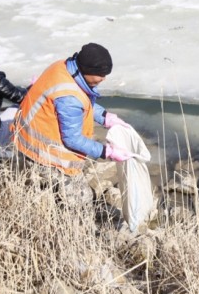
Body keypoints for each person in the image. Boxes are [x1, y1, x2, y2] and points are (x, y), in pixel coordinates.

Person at [13, 43, 133, 203]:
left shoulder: (62, 67)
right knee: (82, 202)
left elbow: (81, 102)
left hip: (27, 139)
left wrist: (105, 117)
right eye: (100, 75)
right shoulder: (69, 97)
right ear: (87, 70)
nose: (103, 79)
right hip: (41, 154)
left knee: (55, 196)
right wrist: (107, 152)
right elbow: (73, 139)